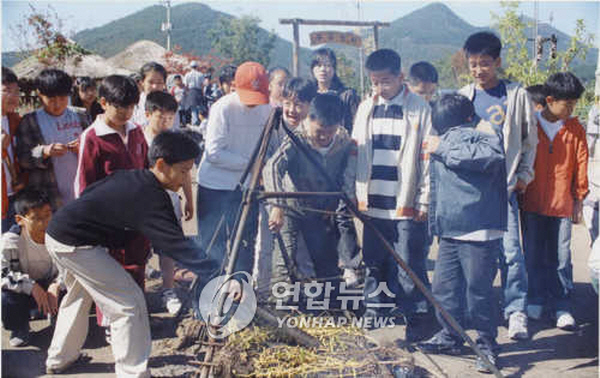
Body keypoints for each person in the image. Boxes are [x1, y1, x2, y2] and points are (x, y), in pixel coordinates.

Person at [44, 130, 216, 377]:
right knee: (128, 302)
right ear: (160, 164)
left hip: (63, 232)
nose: (186, 177)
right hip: (74, 243)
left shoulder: (139, 179)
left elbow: (92, 194)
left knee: (79, 295)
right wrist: (216, 270)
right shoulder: (148, 197)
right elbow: (176, 244)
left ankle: (59, 359)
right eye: (183, 170)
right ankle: (133, 372)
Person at [417, 93, 506, 373]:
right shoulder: (443, 138)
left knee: (478, 294)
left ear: (469, 120)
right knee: (444, 289)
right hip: (451, 229)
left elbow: (492, 157)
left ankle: (486, 344)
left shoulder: (485, 135)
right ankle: (450, 335)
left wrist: (443, 147)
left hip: (480, 230)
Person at [458, 31, 537, 340]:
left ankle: (516, 311)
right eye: (474, 64)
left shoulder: (515, 95)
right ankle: (475, 311)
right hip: (472, 192)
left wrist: (523, 177)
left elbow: (530, 141)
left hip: (503, 189)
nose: (479, 70)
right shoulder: (465, 95)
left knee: (511, 254)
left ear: (498, 62)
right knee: (474, 254)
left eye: (485, 63)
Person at [352, 49, 431, 332]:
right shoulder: (365, 108)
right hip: (372, 199)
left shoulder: (419, 107)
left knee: (408, 262)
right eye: (375, 82)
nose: (380, 88)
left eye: (385, 81)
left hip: (404, 198)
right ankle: (375, 309)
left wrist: (424, 198)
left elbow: (426, 158)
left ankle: (416, 314)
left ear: (400, 76)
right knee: (373, 261)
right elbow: (355, 153)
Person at [75, 75, 151, 332]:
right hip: (108, 223)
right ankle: (112, 327)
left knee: (136, 268)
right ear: (103, 102)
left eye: (132, 107)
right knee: (111, 276)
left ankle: (137, 318)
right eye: (122, 107)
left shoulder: (137, 132)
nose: (127, 113)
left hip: (137, 220)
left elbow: (147, 170)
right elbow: (84, 186)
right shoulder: (93, 137)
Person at [264, 93, 357, 294]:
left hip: (320, 210)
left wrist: (335, 203)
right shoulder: (298, 138)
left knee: (327, 264)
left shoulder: (344, 141)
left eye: (329, 132)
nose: (324, 137)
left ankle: (331, 308)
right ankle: (281, 308)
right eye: (319, 132)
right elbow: (272, 167)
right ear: (310, 119)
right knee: (284, 260)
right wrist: (277, 205)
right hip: (290, 206)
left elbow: (344, 176)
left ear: (338, 125)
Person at [520, 72, 588, 330]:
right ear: (549, 100)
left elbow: (581, 164)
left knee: (561, 257)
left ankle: (562, 305)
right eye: (567, 104)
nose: (571, 109)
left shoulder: (575, 129)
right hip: (532, 204)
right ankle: (535, 298)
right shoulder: (530, 125)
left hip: (562, 205)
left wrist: (579, 198)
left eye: (574, 104)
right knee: (533, 253)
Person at [196, 61, 271, 273]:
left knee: (245, 246)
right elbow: (214, 154)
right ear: (234, 87)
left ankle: (241, 296)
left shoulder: (267, 108)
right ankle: (206, 300)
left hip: (246, 188)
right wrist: (252, 164)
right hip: (215, 186)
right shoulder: (223, 108)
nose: (253, 103)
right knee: (212, 246)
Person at [253, 77, 317, 301]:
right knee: (267, 247)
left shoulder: (313, 127)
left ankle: (305, 300)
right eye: (287, 103)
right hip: (275, 197)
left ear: (311, 104)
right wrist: (275, 203)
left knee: (304, 251)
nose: (292, 109)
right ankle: (263, 295)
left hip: (305, 199)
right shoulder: (274, 123)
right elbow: (267, 163)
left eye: (299, 104)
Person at [143, 91, 195, 314]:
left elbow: (185, 172)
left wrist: (189, 200)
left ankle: (168, 289)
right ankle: (140, 290)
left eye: (170, 118)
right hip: (143, 202)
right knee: (140, 248)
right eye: (160, 117)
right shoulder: (139, 138)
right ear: (148, 114)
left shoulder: (176, 140)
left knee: (168, 247)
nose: (165, 122)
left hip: (171, 200)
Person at [16, 68, 87, 210]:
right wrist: (44, 151)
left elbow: (96, 148)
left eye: (62, 98)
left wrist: (84, 148)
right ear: (40, 95)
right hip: (50, 195)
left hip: (82, 191)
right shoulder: (30, 121)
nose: (57, 104)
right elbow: (23, 158)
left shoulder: (81, 116)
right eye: (51, 99)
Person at [1, 189, 63, 347]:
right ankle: (19, 326)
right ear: (20, 220)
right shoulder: (11, 240)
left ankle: (58, 316)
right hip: (27, 288)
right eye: (36, 218)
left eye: (48, 215)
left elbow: (73, 266)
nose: (44, 223)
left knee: (73, 286)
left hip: (51, 286)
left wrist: (57, 284)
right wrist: (31, 286)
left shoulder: (61, 234)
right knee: (6, 296)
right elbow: (3, 273)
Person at [310, 48, 360, 133]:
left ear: (334, 69)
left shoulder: (348, 95)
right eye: (319, 65)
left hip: (342, 142)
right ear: (312, 69)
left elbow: (357, 124)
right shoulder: (309, 95)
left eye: (328, 65)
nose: (323, 69)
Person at [2, 67, 24, 232]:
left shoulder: (16, 121)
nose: (13, 97)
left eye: (16, 91)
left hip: (15, 197)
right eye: (6, 91)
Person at [131, 62, 180, 128]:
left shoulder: (170, 103)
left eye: (159, 82)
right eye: (150, 82)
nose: (155, 86)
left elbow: (175, 130)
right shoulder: (134, 104)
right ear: (142, 82)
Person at [184, 61, 205, 126]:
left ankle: (195, 122)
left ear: (190, 67)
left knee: (193, 109)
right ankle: (200, 122)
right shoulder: (200, 74)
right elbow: (202, 85)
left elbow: (186, 85)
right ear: (197, 67)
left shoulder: (187, 75)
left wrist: (187, 93)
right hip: (198, 91)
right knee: (199, 108)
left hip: (191, 91)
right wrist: (202, 93)